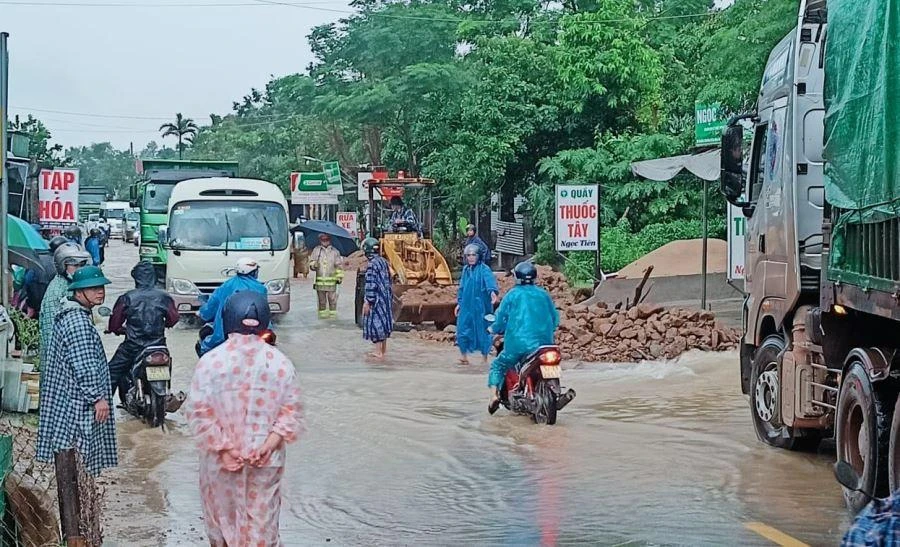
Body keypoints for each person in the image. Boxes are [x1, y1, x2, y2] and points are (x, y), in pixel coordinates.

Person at [185, 291, 302, 547]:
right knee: (263, 525)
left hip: (220, 463)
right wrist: (268, 445)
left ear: (228, 319)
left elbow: (198, 412)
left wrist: (224, 449)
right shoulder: (281, 364)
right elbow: (291, 412)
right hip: (266, 461)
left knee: (221, 524)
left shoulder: (210, 363)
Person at [36, 265, 117, 476]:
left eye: (101, 287)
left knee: (71, 454)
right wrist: (97, 398)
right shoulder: (78, 322)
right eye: (92, 288)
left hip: (68, 397)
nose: (100, 291)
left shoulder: (71, 314)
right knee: (81, 455)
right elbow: (85, 366)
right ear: (78, 292)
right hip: (78, 401)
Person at [487, 261, 559, 414]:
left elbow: (500, 320)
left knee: (498, 365)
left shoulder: (512, 295)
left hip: (518, 345)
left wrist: (493, 329)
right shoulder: (544, 294)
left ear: (516, 277)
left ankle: (493, 396)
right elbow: (555, 320)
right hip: (545, 345)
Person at [106, 261, 180, 404]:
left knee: (111, 373)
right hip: (158, 346)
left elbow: (114, 325)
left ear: (136, 278)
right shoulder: (164, 297)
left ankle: (105, 410)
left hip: (133, 347)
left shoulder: (127, 297)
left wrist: (119, 330)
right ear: (154, 277)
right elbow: (173, 319)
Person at [198, 257, 267, 356]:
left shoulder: (226, 286)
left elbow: (211, 306)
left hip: (226, 332)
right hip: (259, 329)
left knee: (206, 347)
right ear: (253, 272)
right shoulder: (262, 288)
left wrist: (203, 313)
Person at [39, 244, 91, 368]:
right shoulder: (57, 291)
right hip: (60, 360)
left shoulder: (72, 285)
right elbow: (49, 332)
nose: (79, 269)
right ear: (63, 265)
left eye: (82, 265)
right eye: (75, 265)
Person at [455, 244, 499, 365]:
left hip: (481, 306)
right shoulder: (465, 270)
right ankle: (464, 356)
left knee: (484, 330)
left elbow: (489, 282)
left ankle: (484, 357)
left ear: (478, 256)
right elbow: (462, 287)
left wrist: (492, 293)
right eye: (468, 255)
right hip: (467, 306)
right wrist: (459, 303)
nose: (471, 257)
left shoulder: (484, 269)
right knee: (462, 329)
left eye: (473, 255)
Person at [361, 237, 393, 359]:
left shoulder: (372, 265)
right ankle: (383, 351)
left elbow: (371, 284)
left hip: (377, 300)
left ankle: (378, 352)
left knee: (376, 324)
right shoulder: (384, 262)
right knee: (384, 324)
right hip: (385, 299)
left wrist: (368, 301)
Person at [309, 234, 344, 319]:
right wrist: (314, 265)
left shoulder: (335, 252)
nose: (325, 241)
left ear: (330, 240)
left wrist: (339, 278)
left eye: (326, 239)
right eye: (323, 239)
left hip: (332, 283)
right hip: (320, 283)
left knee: (332, 301)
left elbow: (339, 266)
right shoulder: (316, 251)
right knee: (321, 302)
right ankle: (323, 319)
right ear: (320, 240)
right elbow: (311, 263)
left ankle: (332, 319)